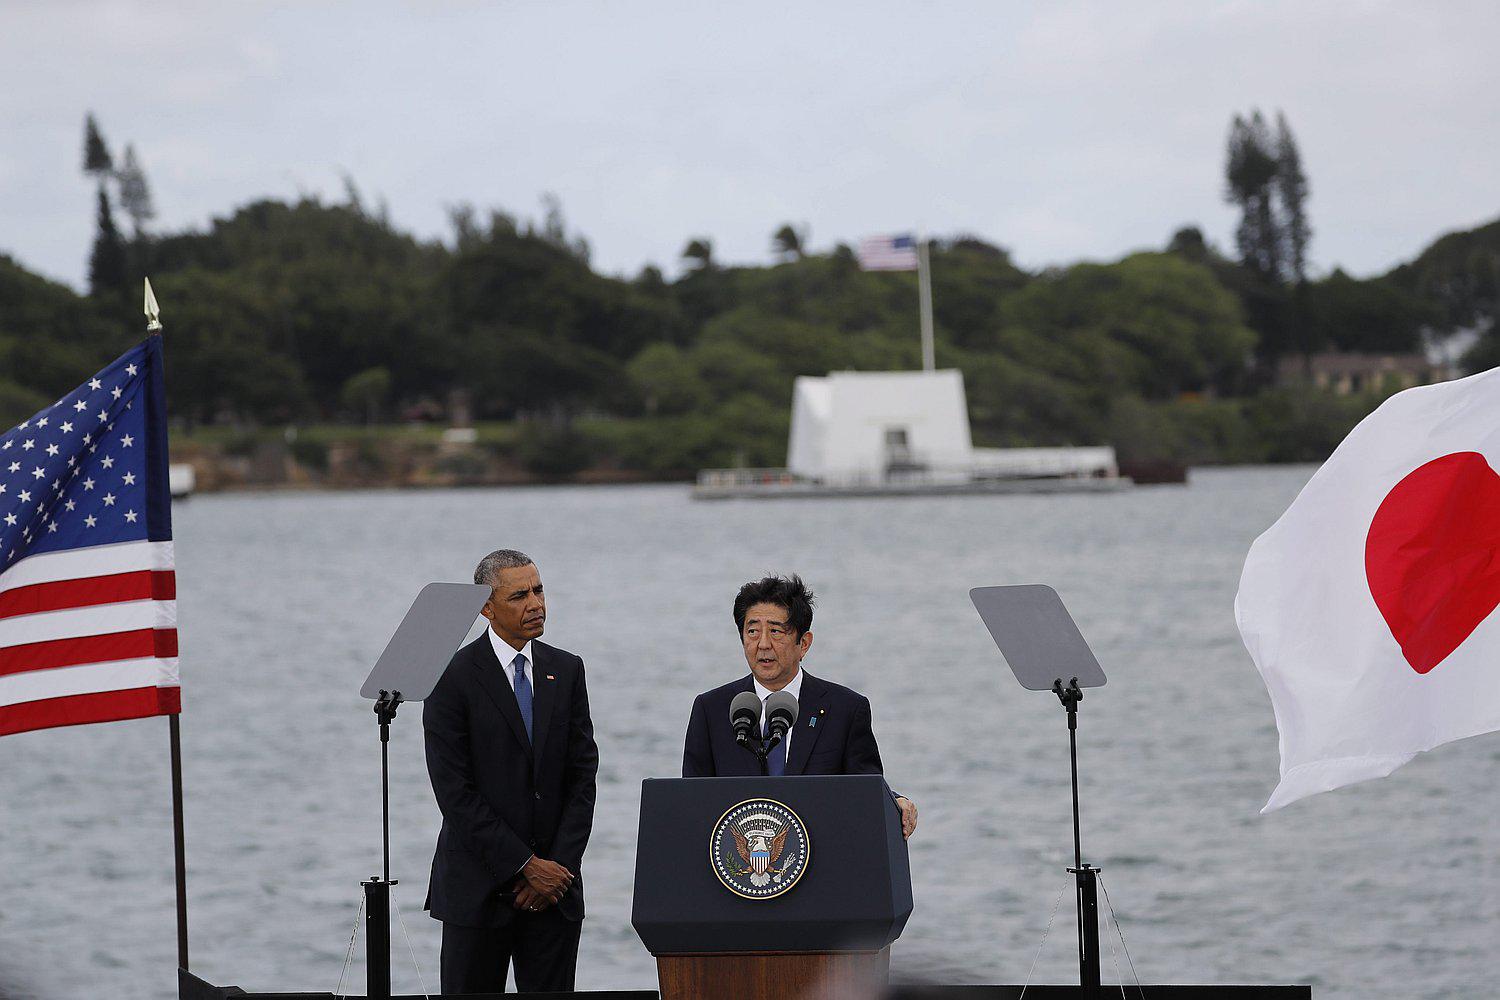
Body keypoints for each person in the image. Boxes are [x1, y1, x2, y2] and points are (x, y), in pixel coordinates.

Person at [423, 549, 598, 994]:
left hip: (554, 894)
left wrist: (555, 868)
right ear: (486, 606)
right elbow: (454, 792)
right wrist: (523, 866)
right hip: (477, 894)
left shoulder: (567, 669)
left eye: (538, 590)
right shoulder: (450, 677)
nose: (536, 604)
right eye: (519, 595)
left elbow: (582, 778)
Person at [681, 574, 918, 838]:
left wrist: (895, 802)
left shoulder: (845, 709)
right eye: (752, 631)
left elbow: (865, 790)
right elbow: (693, 802)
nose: (763, 644)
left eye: (775, 631)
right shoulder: (711, 709)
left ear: (803, 643)